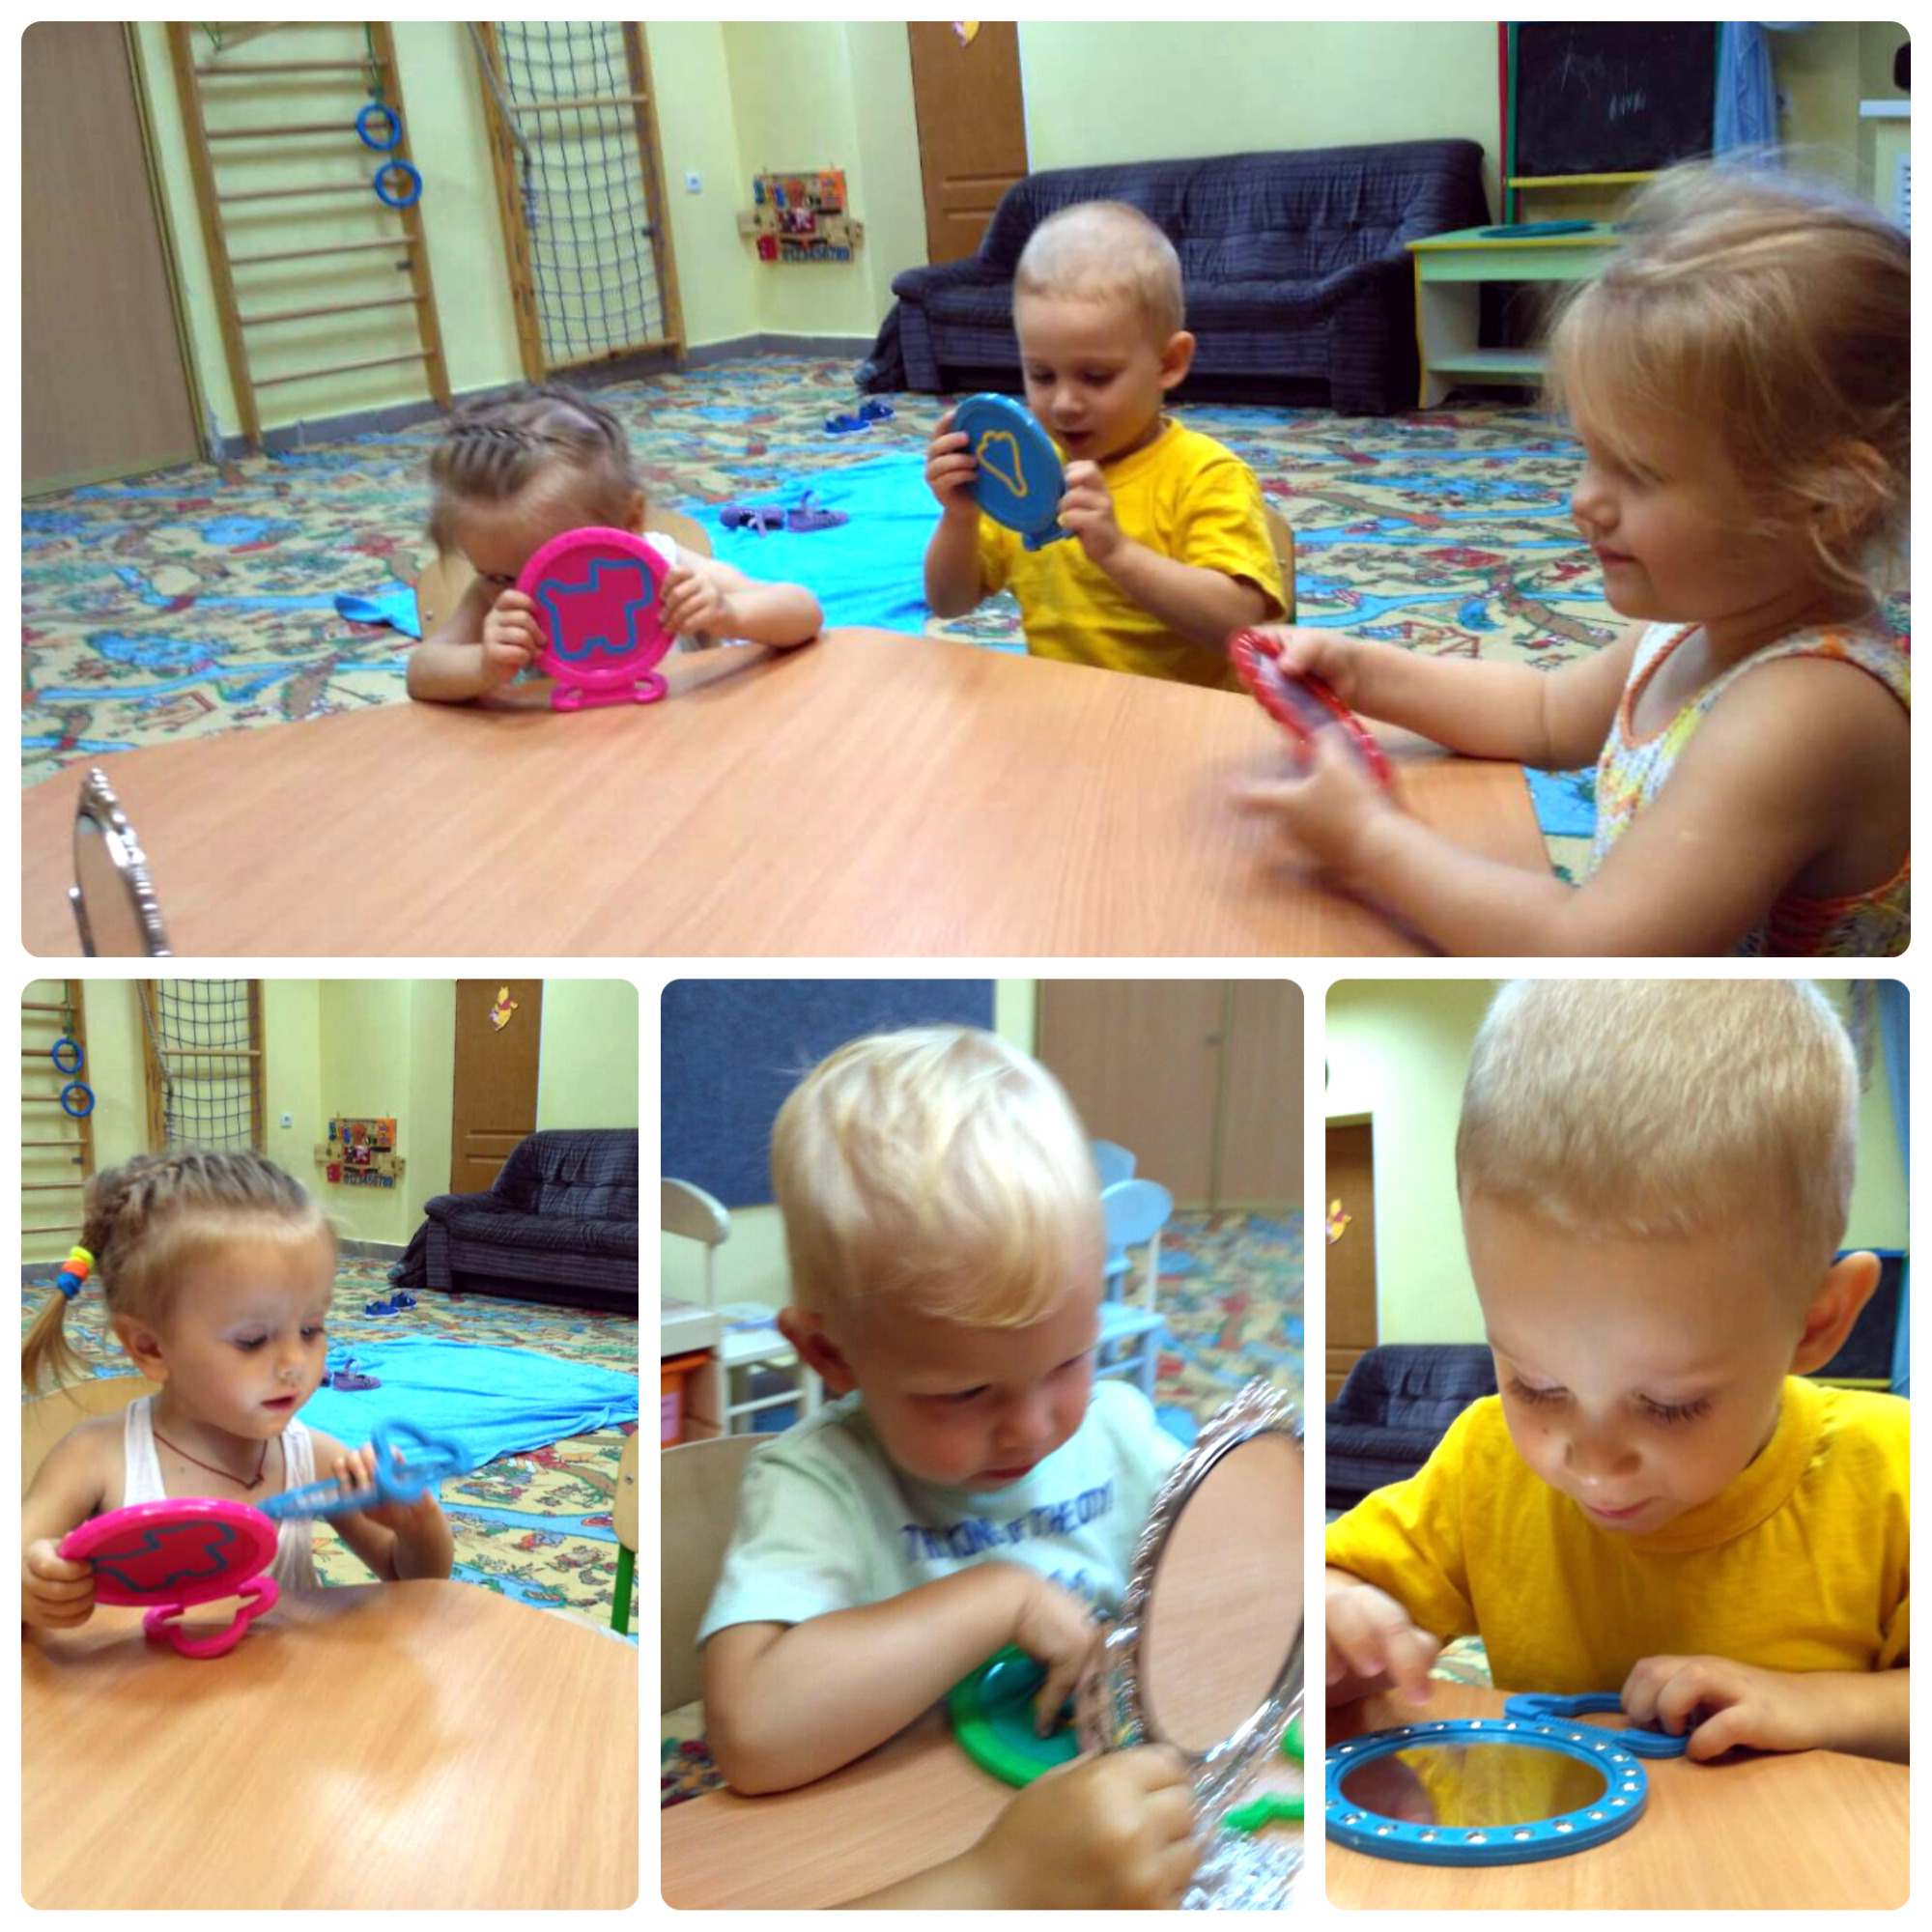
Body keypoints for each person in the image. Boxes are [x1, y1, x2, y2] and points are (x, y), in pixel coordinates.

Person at [1243, 165, 1909, 955]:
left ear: (1830, 501)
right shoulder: (1707, 622)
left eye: (1639, 473)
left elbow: (1591, 950)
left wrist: (1368, 841)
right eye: (1588, 455)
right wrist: (1363, 671)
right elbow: (1546, 713)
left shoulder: (1808, 711)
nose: (1583, 501)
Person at [1325, 981, 1908, 1764]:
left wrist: (1822, 1705)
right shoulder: (1483, 1467)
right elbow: (1333, 1581)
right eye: (1536, 1385)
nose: (1594, 1467)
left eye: (1670, 1405)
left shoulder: (1896, 1473)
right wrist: (1339, 1620)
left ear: (1817, 1323)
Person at [697, 1025, 1185, 1811]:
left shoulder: (1119, 1432)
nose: (1031, 1428)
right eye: (965, 1393)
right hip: (907, 1840)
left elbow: (1248, 1569)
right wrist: (1003, 1599)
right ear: (829, 1354)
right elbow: (751, 1736)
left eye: (1069, 1361)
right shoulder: (819, 1484)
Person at [22, 1151, 454, 1630]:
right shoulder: (93, 1458)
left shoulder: (313, 1458)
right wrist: (32, 1587)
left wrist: (417, 1524)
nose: (294, 1363)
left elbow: (411, 1582)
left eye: (310, 1329)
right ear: (150, 1347)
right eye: (252, 1340)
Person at [923, 201, 1286, 687]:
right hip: (1065, 712)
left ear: (1169, 363)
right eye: (1042, 375)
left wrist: (1118, 553)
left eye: (1095, 377)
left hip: (1182, 720)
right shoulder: (1024, 474)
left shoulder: (1206, 475)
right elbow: (948, 601)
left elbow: (1240, 624)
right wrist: (960, 518)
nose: (1065, 404)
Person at [408, 384, 821, 702]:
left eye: (560, 565)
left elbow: (803, 612)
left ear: (630, 522)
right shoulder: (496, 596)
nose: (529, 591)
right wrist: (482, 665)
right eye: (499, 576)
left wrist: (728, 613)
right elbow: (421, 672)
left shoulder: (666, 569)